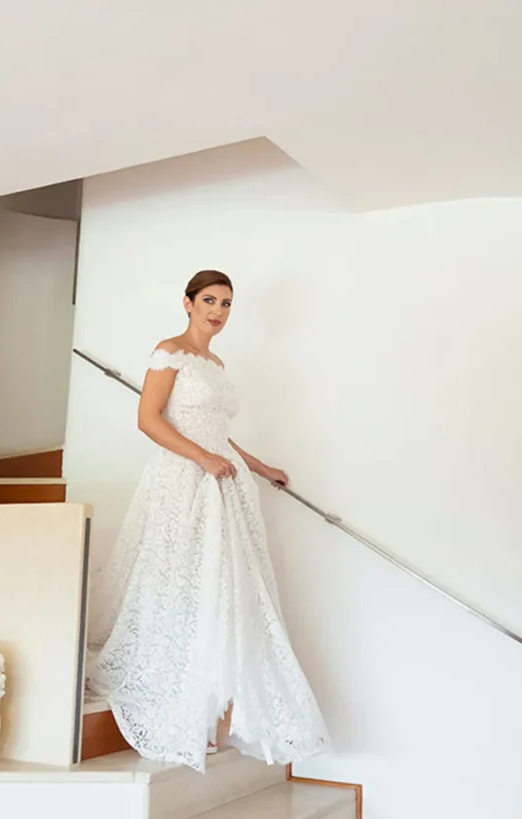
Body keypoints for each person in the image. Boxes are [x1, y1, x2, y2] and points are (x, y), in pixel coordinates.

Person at [86, 269, 330, 772]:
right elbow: (148, 419)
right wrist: (201, 458)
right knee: (181, 584)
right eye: (210, 301)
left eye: (226, 304)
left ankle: (209, 705)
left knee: (220, 589)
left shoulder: (216, 363)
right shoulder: (169, 351)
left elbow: (218, 432)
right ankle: (180, 701)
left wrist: (258, 467)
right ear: (188, 303)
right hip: (184, 480)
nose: (218, 311)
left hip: (223, 481)